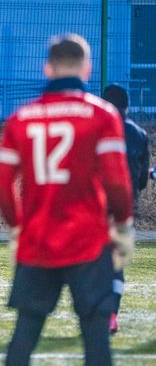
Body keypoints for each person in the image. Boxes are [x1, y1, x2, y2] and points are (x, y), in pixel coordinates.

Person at [0, 33, 134, 366]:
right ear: (87, 69)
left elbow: (2, 185)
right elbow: (117, 181)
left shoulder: (21, 118)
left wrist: (17, 227)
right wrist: (123, 225)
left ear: (47, 68)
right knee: (96, 337)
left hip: (38, 237)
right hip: (89, 239)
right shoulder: (102, 115)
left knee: (25, 333)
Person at [102, 84, 150, 334]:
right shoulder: (140, 135)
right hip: (125, 209)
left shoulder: (95, 130)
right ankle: (112, 315)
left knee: (90, 263)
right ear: (127, 107)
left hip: (96, 208)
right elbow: (142, 180)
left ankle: (93, 312)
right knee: (116, 265)